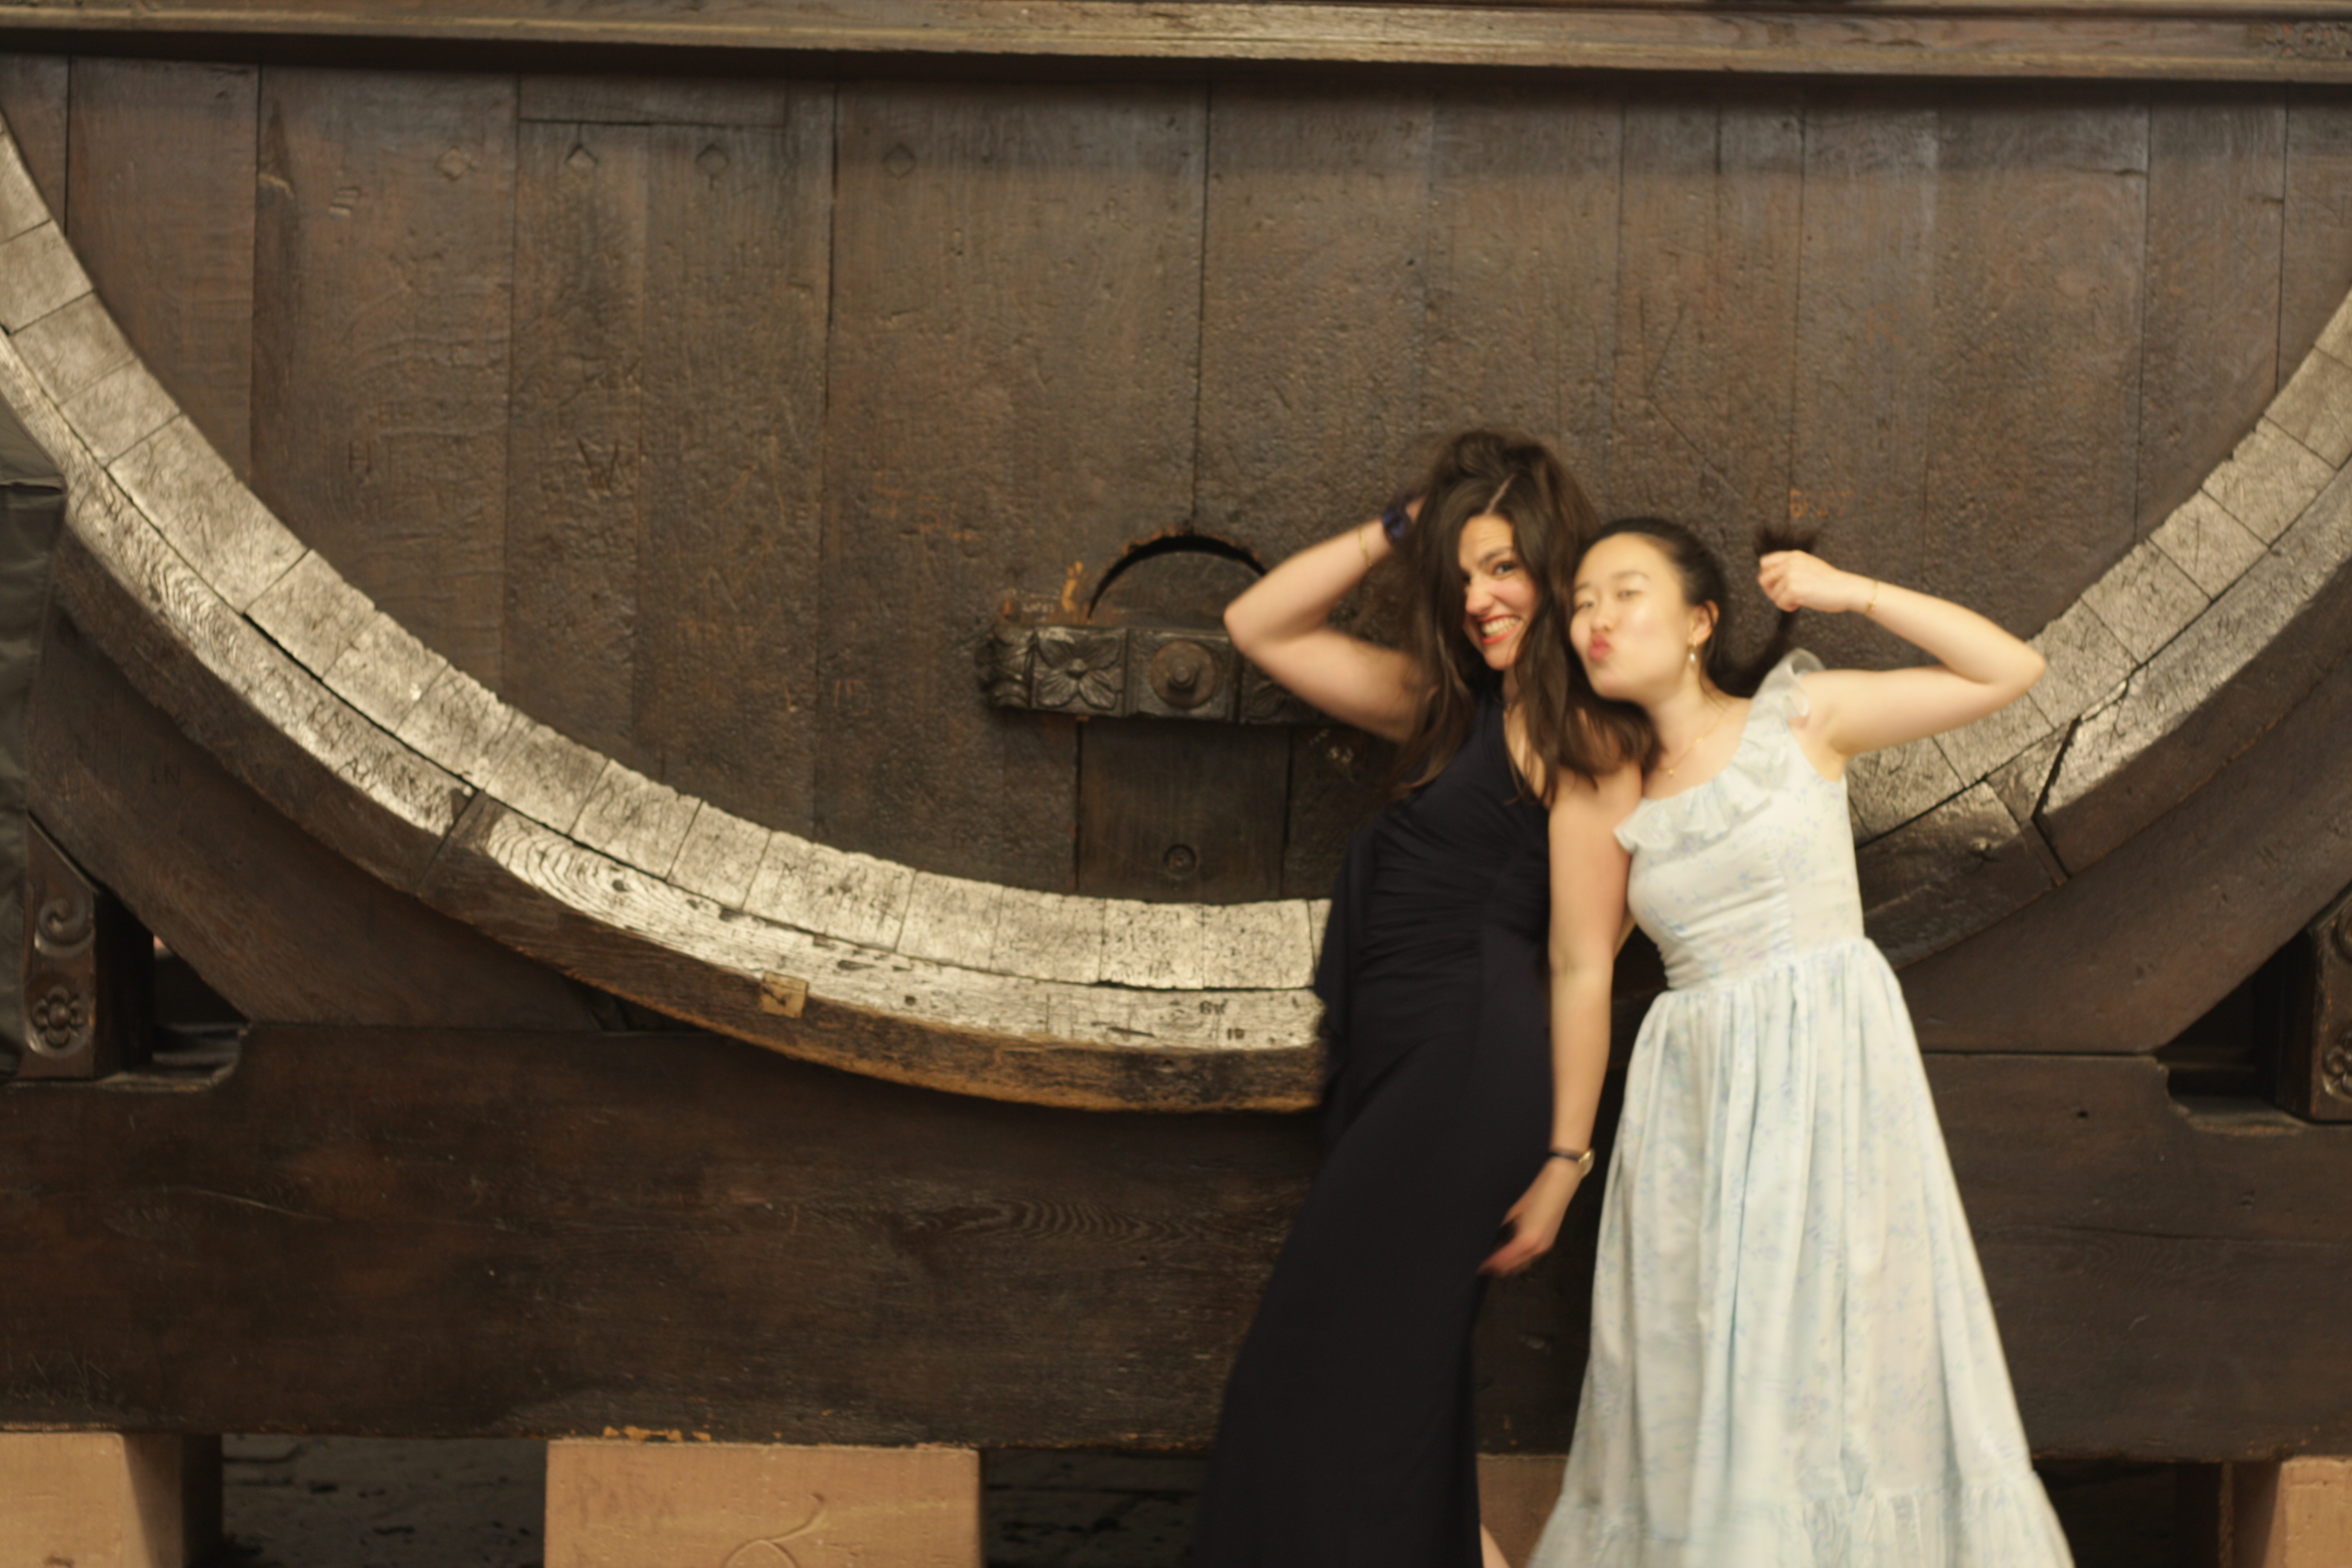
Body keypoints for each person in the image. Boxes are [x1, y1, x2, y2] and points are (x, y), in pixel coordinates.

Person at [1528, 518, 2074, 1566]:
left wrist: (1849, 591)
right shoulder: (1604, 785)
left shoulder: (1802, 719)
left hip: (1831, 1083)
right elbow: (1580, 970)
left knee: (1842, 1366)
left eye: (1625, 593)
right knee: (1709, 1371)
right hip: (1696, 1111)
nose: (1596, 619)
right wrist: (1564, 1159)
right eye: (1582, 603)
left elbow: (2009, 670)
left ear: (1700, 621)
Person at [1189, 431, 1644, 1568]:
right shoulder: (1451, 710)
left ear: (1559, 571)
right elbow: (1259, 626)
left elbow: (1585, 960)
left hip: (1468, 1075)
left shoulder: (1580, 738)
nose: (1481, 598)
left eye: (1507, 568)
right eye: (1464, 573)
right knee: (1386, 1384)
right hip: (1409, 1070)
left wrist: (1565, 1161)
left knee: (1312, 1372)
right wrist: (1400, 526)